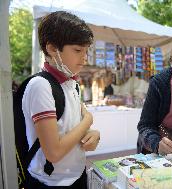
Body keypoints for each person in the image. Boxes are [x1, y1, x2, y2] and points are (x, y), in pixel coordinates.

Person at [22, 11, 100, 188]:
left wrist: (93, 135)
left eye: (86, 51)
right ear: (51, 48)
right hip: (50, 182)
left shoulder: (72, 84)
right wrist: (88, 120)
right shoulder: (40, 86)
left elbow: (71, 130)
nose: (84, 58)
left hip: (76, 176)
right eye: (78, 50)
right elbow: (54, 152)